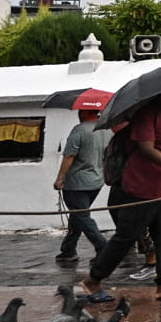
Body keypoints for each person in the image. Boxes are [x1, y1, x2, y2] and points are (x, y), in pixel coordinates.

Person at [83, 89, 161, 302]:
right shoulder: (146, 115)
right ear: (158, 94)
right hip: (142, 188)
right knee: (126, 237)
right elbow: (146, 149)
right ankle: (93, 281)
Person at [52, 101, 110, 265]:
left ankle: (103, 248)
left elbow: (69, 156)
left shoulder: (79, 130)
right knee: (78, 215)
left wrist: (59, 178)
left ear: (85, 111)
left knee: (82, 216)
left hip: (77, 183)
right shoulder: (106, 130)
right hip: (97, 181)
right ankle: (68, 249)